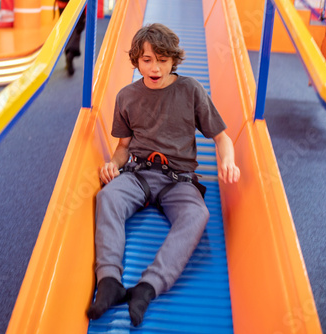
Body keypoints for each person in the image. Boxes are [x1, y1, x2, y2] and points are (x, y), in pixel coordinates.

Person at [86, 23, 241, 326]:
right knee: (108, 197)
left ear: (173, 60)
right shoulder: (126, 96)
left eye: (162, 59)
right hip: (139, 172)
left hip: (178, 178)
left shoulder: (191, 89)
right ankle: (109, 282)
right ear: (136, 60)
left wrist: (229, 162)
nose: (155, 68)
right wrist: (113, 165)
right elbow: (122, 148)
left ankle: (147, 287)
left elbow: (222, 138)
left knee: (197, 215)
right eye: (147, 60)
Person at [56, 0, 86, 76]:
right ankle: (70, 53)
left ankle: (68, 54)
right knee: (77, 29)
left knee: (66, 30)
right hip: (77, 4)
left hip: (63, 3)